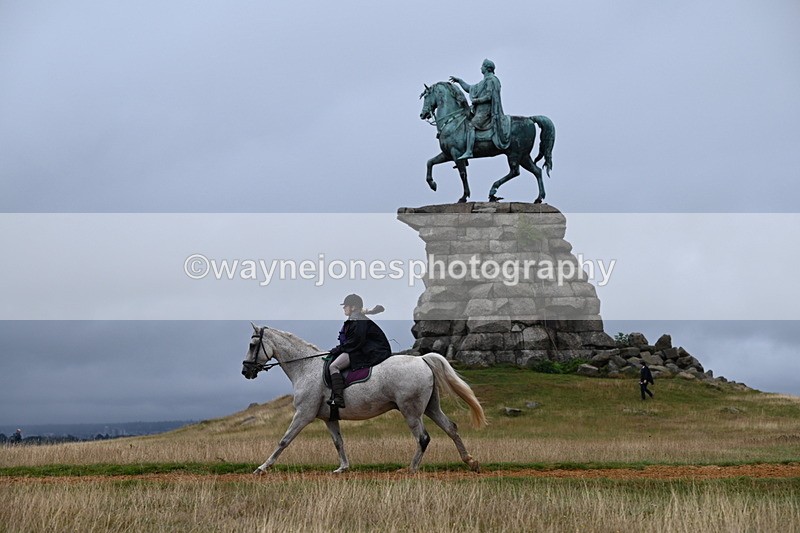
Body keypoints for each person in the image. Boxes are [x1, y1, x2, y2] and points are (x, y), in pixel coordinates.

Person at [327, 294, 392, 408]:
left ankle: (338, 399)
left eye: (345, 306)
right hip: (363, 348)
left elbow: (355, 341)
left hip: (372, 351)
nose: (343, 308)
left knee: (334, 367)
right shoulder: (356, 318)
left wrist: (337, 349)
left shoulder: (358, 320)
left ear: (352, 307)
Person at [449, 59, 510, 159]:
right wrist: (459, 81)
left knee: (471, 125)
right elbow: (469, 88)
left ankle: (469, 151)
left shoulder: (491, 80)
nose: (480, 68)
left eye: (482, 66)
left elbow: (489, 96)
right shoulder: (483, 82)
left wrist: (477, 101)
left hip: (486, 111)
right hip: (479, 111)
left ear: (486, 68)